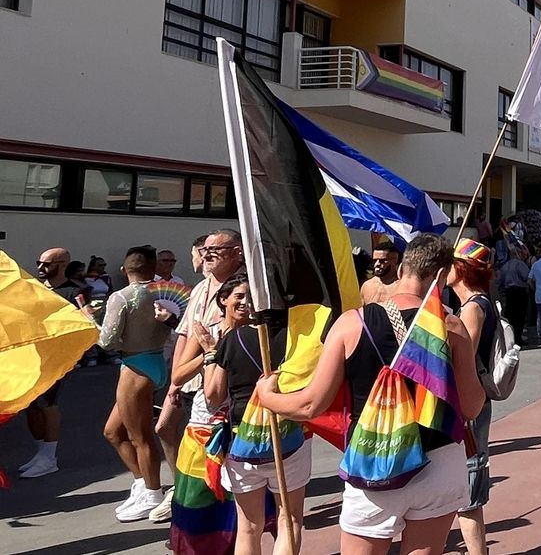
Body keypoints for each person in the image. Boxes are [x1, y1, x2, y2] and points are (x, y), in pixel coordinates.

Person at [254, 232, 485, 555]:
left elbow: (310, 404)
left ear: (402, 268)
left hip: (377, 460)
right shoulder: (451, 326)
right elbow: (472, 406)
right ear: (441, 275)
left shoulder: (352, 324)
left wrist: (268, 397)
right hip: (440, 459)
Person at [205, 276, 308, 555]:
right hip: (288, 438)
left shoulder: (232, 339)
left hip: (243, 441)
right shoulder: (296, 339)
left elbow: (213, 396)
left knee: (249, 526)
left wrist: (210, 355)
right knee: (290, 519)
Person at [154, 230, 245, 523]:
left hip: (230, 387)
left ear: (236, 252)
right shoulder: (200, 288)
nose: (206, 254)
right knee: (171, 432)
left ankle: (227, 519)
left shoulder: (246, 288)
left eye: (215, 249)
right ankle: (185, 496)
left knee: (227, 456)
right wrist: (175, 383)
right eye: (204, 249)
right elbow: (185, 335)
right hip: (197, 379)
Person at [94, 246, 176, 521]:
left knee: (140, 436)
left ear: (123, 270)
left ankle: (152, 491)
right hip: (154, 360)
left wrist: (88, 320)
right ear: (153, 266)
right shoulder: (167, 291)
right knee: (112, 431)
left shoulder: (122, 296)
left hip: (135, 366)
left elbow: (107, 341)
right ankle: (144, 483)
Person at [449, 241, 498, 555]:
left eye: (452, 263)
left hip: (467, 402)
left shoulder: (473, 308)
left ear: (463, 269)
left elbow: (461, 358)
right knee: (465, 477)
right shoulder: (478, 304)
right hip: (473, 400)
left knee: (468, 479)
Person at [18, 247, 81, 478]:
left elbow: (83, 323)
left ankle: (49, 457)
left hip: (58, 358)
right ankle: (41, 452)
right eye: (39, 262)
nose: (40, 268)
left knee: (47, 404)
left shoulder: (75, 292)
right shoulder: (34, 289)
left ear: (63, 263)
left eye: (47, 264)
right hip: (32, 355)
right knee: (30, 405)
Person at [497, 244, 532, 346]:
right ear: (519, 254)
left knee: (511, 316)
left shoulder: (505, 266)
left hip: (509, 293)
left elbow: (500, 281)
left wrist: (501, 291)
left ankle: (511, 338)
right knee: (520, 316)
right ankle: (518, 338)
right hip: (520, 291)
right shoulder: (520, 265)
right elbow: (527, 277)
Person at [360, 239, 400, 306]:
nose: (377, 264)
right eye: (375, 260)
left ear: (395, 260)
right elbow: (362, 313)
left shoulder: (402, 286)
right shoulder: (367, 285)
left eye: (382, 260)